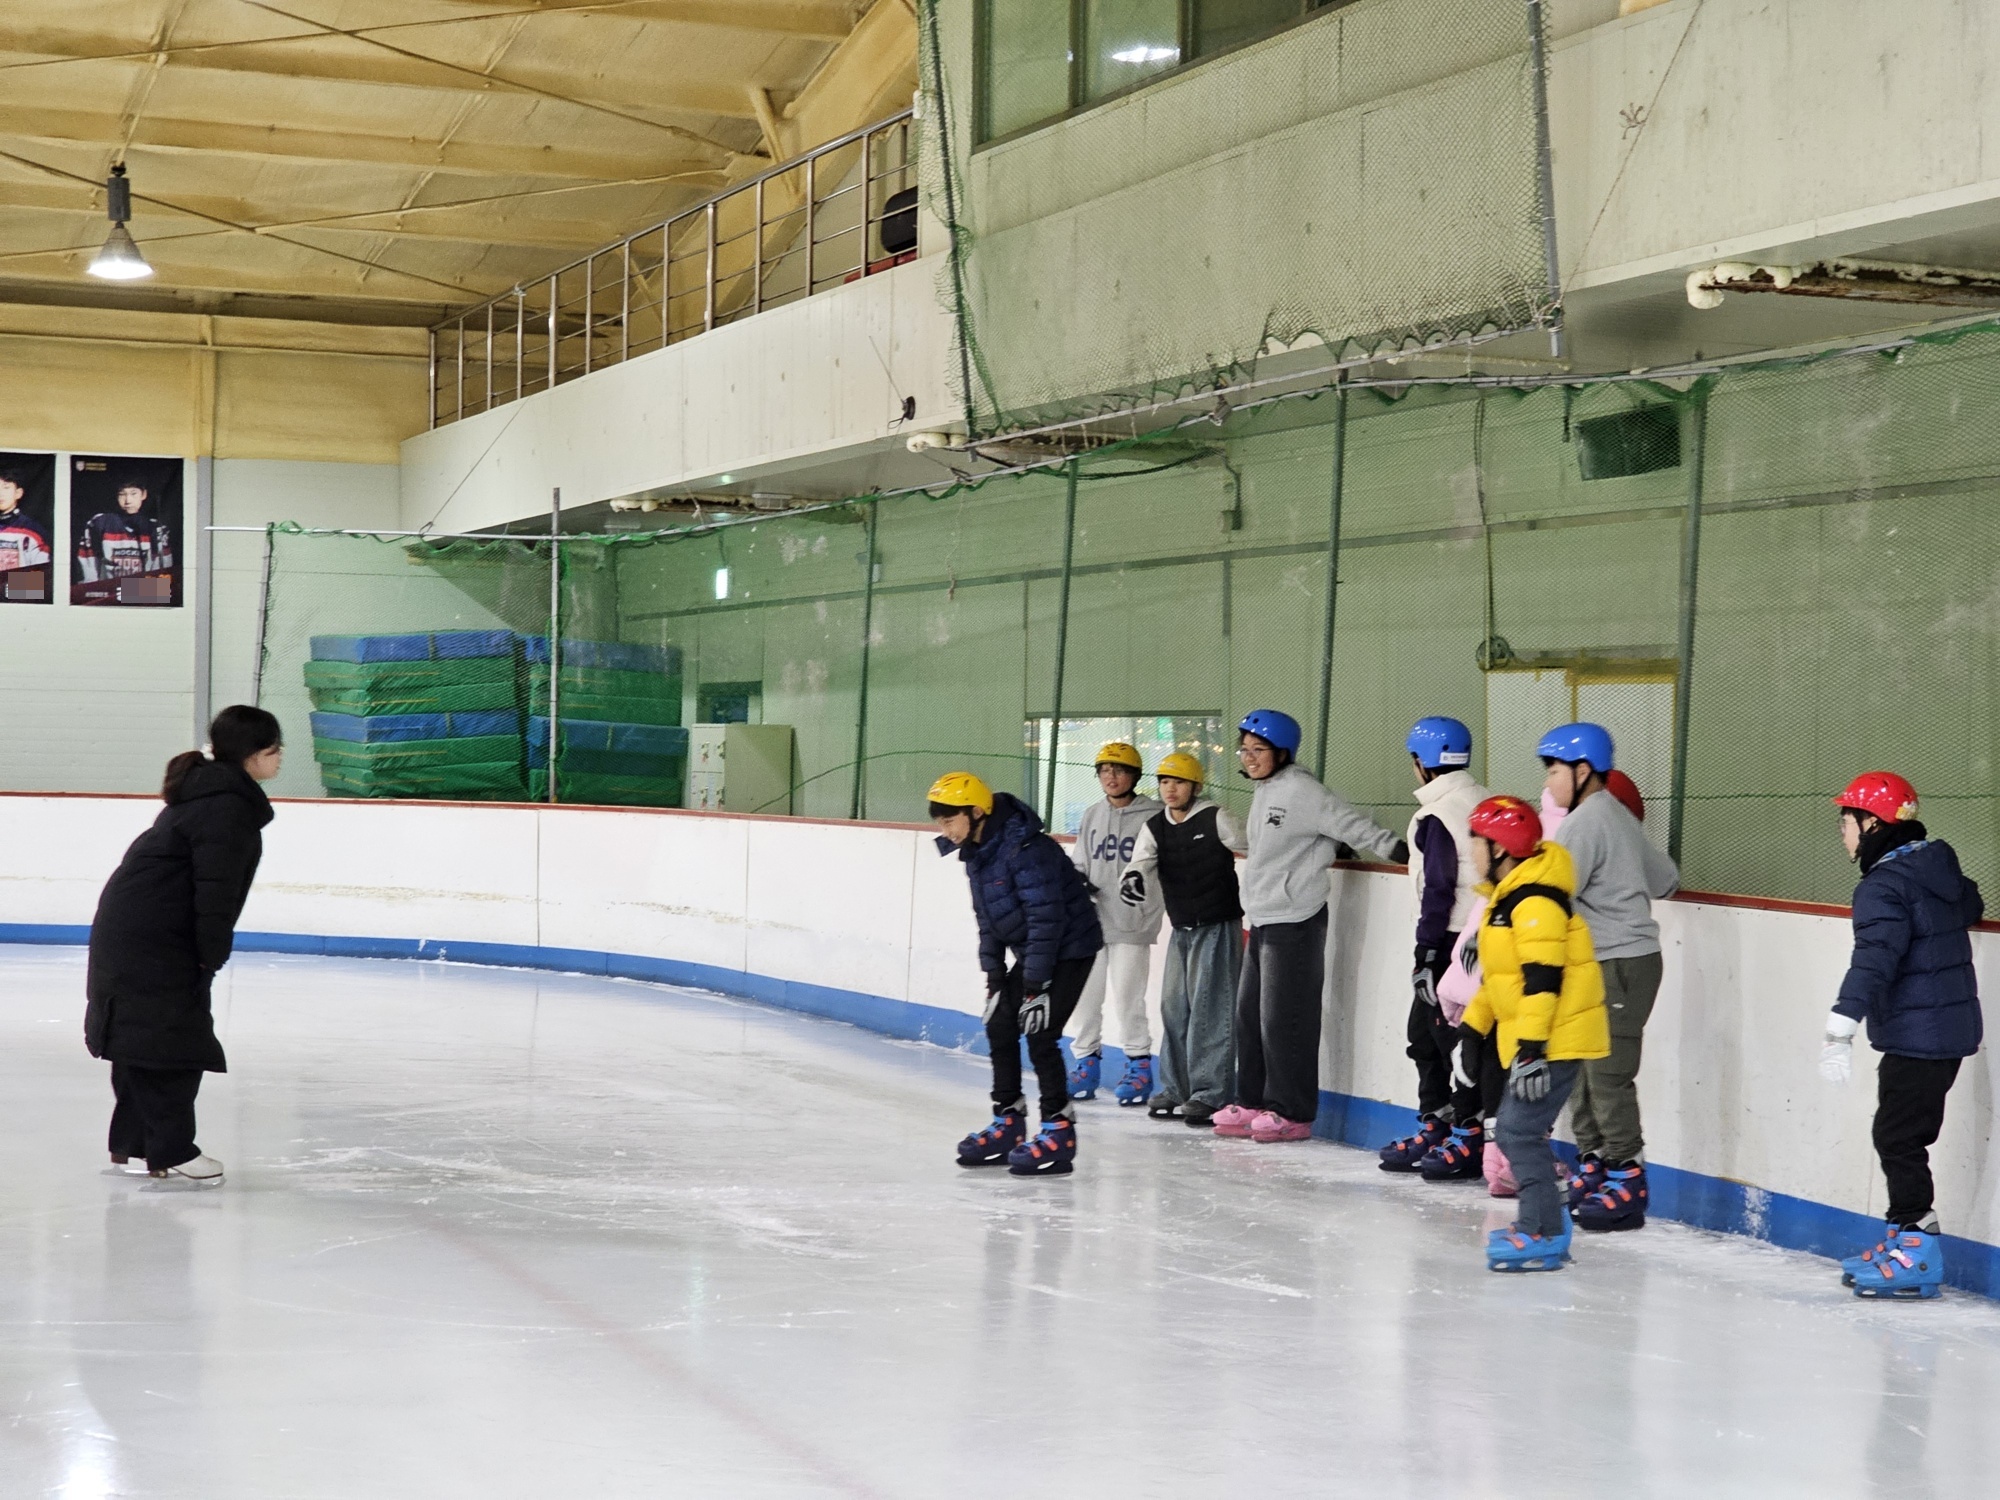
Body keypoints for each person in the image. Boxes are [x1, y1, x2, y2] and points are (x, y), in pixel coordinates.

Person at [85, 706, 284, 1185]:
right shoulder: (227, 807)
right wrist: (209, 954)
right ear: (253, 756)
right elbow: (215, 891)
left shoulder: (207, 794)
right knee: (170, 1041)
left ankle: (138, 1146)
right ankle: (172, 1149)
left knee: (143, 1036)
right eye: (274, 750)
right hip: (156, 934)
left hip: (137, 927)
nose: (279, 759)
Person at [1820, 772, 1983, 1299]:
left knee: (1898, 1139)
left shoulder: (1883, 885)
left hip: (1919, 1033)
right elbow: (1970, 904)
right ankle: (1902, 1237)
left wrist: (1841, 1026)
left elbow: (1874, 960)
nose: (1842, 832)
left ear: (1872, 823)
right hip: (1943, 1029)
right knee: (1900, 1135)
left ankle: (1917, 1249)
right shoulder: (1932, 867)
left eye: (1846, 821)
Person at [1211, 709, 1407, 1144]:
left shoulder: (1304, 791)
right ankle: (1253, 1100)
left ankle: (1292, 1111)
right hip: (1263, 917)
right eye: (1245, 750)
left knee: (1285, 1020)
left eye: (1258, 750)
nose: (1249, 757)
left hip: (1295, 920)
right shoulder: (1265, 790)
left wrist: (1404, 852)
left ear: (1282, 752)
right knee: (1249, 1019)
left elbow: (1353, 825)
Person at [1454, 795, 1610, 1272]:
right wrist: (1471, 1032)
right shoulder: (1507, 899)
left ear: (1500, 848)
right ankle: (1548, 1226)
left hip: (1555, 1037)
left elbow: (1544, 982)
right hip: (1540, 1036)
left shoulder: (1536, 901)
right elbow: (1500, 981)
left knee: (1518, 1133)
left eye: (1477, 840)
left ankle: (1541, 1231)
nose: (1472, 850)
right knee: (1517, 1131)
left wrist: (1530, 1051)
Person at [1538, 723, 1679, 1230]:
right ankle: (1595, 1163)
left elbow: (1554, 899)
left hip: (1618, 962)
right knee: (1582, 1068)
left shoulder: (1584, 823)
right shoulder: (1615, 815)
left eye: (1554, 770)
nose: (1549, 781)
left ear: (1583, 771)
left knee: (1606, 1074)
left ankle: (1626, 1174)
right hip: (1614, 961)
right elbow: (1667, 880)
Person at [934, 772, 1103, 1176]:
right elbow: (987, 919)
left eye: (950, 820)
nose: (945, 831)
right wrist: (995, 980)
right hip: (1036, 952)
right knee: (1000, 1024)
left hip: (1069, 949)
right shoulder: (978, 853)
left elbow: (1047, 919)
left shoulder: (1027, 850)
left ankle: (1059, 1130)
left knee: (1040, 1032)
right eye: (940, 822)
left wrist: (1035, 987)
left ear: (976, 812)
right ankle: (1008, 1120)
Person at [1378, 717, 1493, 1179]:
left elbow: (1438, 888)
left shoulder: (1437, 815)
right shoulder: (1484, 799)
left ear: (1420, 762)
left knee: (1444, 1042)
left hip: (1448, 942)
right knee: (1429, 1037)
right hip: (1480, 938)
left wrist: (1426, 954)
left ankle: (1466, 1131)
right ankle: (1441, 1123)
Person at [1119, 751, 1246, 1127]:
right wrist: (1132, 878)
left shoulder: (1216, 816)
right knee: (1174, 1007)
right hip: (1182, 927)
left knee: (1211, 1009)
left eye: (1178, 782)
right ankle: (1176, 1088)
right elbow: (1140, 861)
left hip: (1218, 924)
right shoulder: (1156, 826)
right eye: (1164, 782)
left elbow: (1255, 844)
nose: (1170, 789)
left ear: (1195, 786)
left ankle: (1210, 1092)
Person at [1066, 742, 1164, 1105]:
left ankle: (1139, 1066)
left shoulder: (1154, 816)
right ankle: (1085, 1063)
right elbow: (1081, 860)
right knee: (1084, 997)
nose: (1111, 777)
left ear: (1134, 776)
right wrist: (1077, 882)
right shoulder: (1092, 813)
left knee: (1128, 998)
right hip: (1091, 922)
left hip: (1132, 921)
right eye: (1105, 771)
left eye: (1119, 770)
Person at [76, 478, 173, 584]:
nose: (128, 501)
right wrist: (98, 590)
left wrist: (123, 591)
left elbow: (161, 583)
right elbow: (89, 572)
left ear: (143, 494)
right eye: (122, 494)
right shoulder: (99, 523)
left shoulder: (156, 528)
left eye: (133, 494)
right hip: (107, 592)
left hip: (144, 592)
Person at [0, 470, 50, 575]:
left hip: (18, 586)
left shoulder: (32, 530)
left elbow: (40, 575)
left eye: (6, 487)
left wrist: (9, 585)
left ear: (18, 493)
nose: (1, 493)